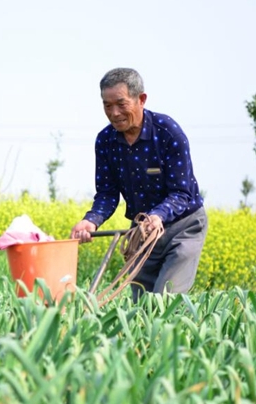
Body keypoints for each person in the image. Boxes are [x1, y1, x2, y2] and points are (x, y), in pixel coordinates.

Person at [70, 67, 208, 302]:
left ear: (141, 99)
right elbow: (107, 193)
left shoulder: (167, 133)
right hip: (142, 233)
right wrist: (91, 220)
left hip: (182, 228)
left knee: (164, 301)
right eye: (107, 105)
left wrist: (157, 216)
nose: (114, 113)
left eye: (121, 104)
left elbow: (181, 193)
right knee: (141, 307)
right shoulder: (105, 141)